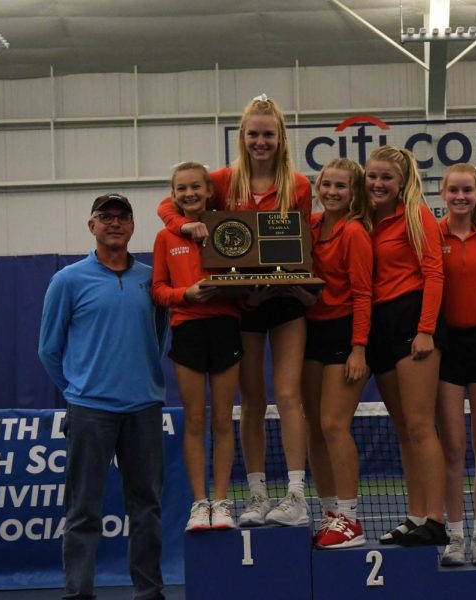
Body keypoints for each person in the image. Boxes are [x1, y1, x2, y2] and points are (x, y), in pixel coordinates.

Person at [157, 95, 313, 528]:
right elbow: (168, 204)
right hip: (242, 304)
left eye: (268, 134)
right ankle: (258, 494)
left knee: (287, 394)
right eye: (253, 134)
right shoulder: (223, 181)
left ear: (280, 138)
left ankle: (297, 494)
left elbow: (301, 243)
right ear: (242, 138)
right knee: (253, 400)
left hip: (283, 302)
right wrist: (184, 226)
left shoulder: (299, 185)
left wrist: (289, 283)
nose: (260, 141)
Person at [38, 193, 166, 600]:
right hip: (89, 411)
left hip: (144, 410)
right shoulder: (67, 280)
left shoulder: (151, 278)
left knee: (146, 509)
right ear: (91, 226)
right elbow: (48, 350)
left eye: (122, 217)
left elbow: (158, 336)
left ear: (132, 226)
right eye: (105, 217)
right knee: (83, 511)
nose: (114, 223)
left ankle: (148, 592)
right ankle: (78, 593)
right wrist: (79, 390)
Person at [365, 145, 449, 547]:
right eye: (373, 176)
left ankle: (436, 518)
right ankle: (415, 515)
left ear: (401, 183)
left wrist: (426, 329)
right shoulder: (363, 221)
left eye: (386, 178)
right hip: (379, 325)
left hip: (413, 323)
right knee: (402, 429)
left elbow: (434, 272)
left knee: (419, 426)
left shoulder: (416, 216)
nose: (378, 183)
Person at [151, 162, 242, 532]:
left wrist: (234, 289)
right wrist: (185, 294)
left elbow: (246, 275)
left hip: (225, 328)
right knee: (195, 420)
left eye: (195, 188)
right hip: (187, 330)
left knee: (222, 420)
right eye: (181, 189)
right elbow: (158, 290)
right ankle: (198, 502)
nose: (188, 194)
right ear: (173, 196)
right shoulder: (165, 238)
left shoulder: (229, 228)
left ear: (209, 191)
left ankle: (221, 502)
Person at [302, 158, 373, 549]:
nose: (331, 191)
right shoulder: (310, 226)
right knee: (313, 423)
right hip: (312, 331)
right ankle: (330, 512)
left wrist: (359, 348)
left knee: (333, 424)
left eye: (340, 186)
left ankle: (350, 518)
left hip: (346, 334)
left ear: (353, 193)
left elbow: (364, 293)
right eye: (326, 184)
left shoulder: (355, 232)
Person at [435, 164, 476, 566]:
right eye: (454, 191)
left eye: (468, 190)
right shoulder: (433, 235)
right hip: (448, 347)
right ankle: (454, 537)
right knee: (453, 447)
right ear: (443, 193)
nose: (461, 197)